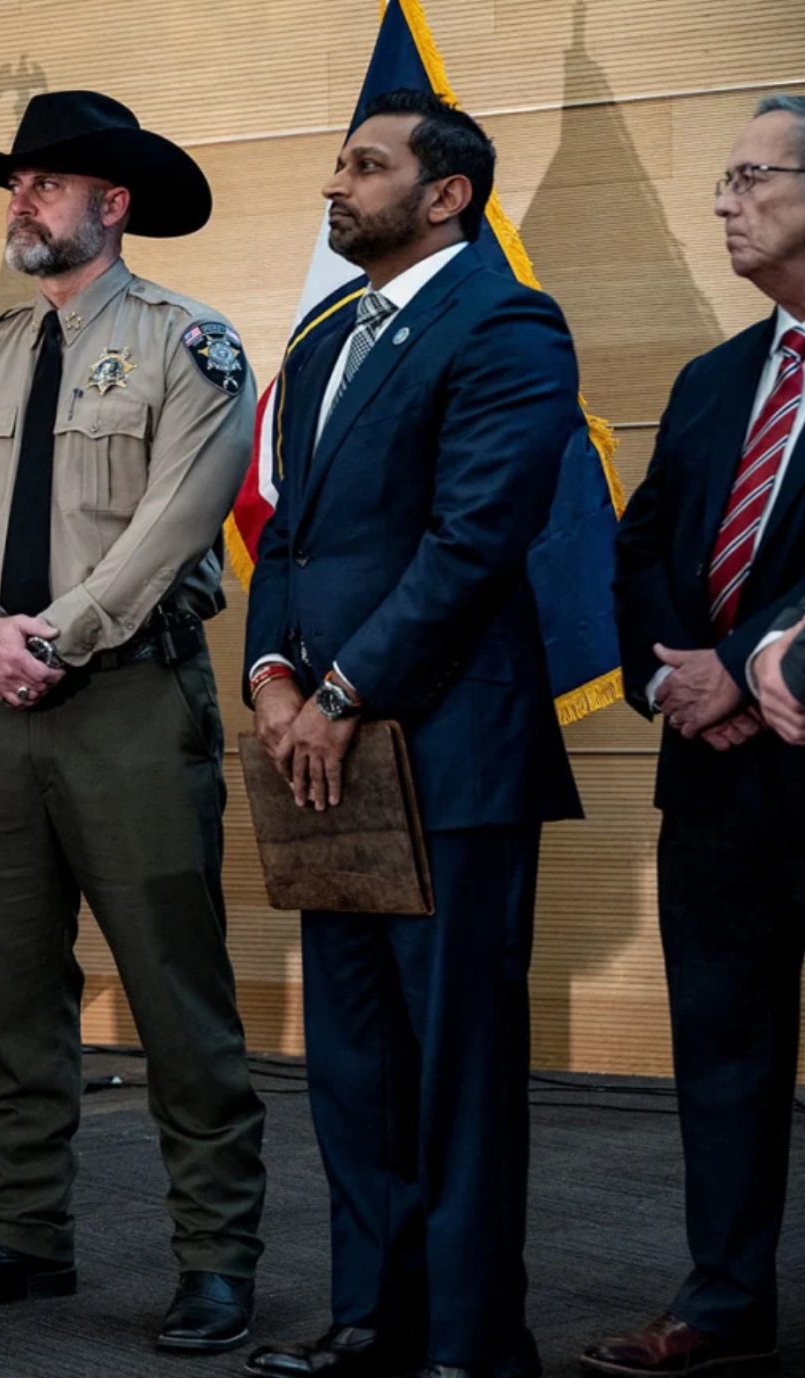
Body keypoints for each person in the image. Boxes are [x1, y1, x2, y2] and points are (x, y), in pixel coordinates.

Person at [0, 90, 267, 1351]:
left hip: (124, 700)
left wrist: (51, 636)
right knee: (8, 990)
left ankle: (215, 1256)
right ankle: (23, 1237)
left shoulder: (190, 343)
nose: (19, 203)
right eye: (14, 185)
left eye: (44, 185)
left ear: (111, 207)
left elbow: (175, 523)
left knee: (174, 995)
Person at [242, 91, 583, 1378]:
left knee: (456, 1074)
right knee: (354, 1064)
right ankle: (372, 1320)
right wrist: (274, 679)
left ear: (443, 195)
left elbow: (473, 540)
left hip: (445, 757)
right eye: (337, 162)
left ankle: (468, 1339)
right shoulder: (329, 339)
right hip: (323, 762)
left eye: (366, 166)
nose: (337, 185)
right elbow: (287, 534)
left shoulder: (502, 320)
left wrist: (342, 695)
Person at [591, 92, 805, 1378]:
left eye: (747, 175)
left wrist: (733, 665)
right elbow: (636, 551)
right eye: (717, 176)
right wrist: (677, 684)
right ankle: (721, 1302)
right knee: (721, 1051)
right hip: (716, 779)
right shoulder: (714, 375)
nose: (719, 199)